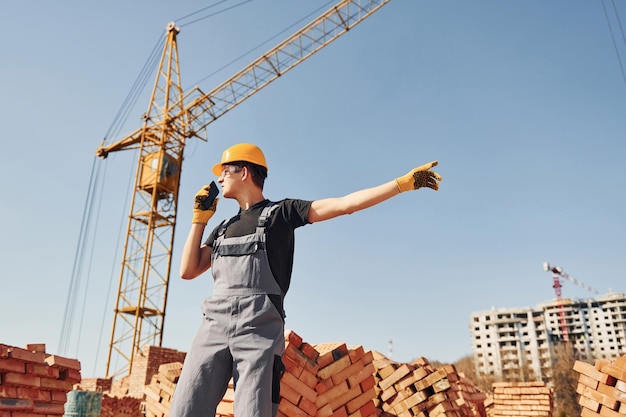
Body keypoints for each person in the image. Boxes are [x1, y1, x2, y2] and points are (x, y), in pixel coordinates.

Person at [169, 143, 442, 417]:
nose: (219, 178)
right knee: (184, 408)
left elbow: (344, 205)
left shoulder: (282, 213)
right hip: (213, 326)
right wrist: (199, 220)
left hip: (258, 330)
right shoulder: (222, 228)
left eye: (225, 170)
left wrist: (401, 184)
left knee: (253, 412)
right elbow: (188, 270)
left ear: (245, 172)